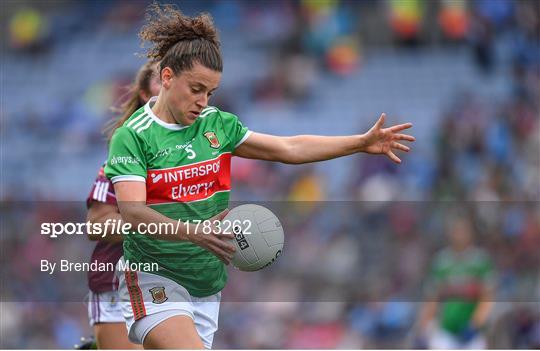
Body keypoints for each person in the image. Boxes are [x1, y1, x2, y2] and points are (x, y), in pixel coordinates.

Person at [104, 3, 415, 349]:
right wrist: (195, 234)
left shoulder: (217, 125)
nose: (203, 101)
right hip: (154, 278)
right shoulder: (133, 135)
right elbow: (132, 212)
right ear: (166, 78)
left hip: (206, 286)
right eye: (196, 89)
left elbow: (289, 148)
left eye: (210, 92)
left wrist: (358, 143)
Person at [86, 61, 160, 349]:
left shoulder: (201, 152)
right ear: (144, 94)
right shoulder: (125, 153)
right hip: (118, 279)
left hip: (178, 280)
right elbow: (97, 224)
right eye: (162, 81)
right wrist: (168, 225)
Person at [415, 217, 495, 349]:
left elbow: (487, 297)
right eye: (456, 231)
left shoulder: (480, 262)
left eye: (463, 231)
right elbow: (432, 299)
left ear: (470, 234)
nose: (459, 235)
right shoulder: (441, 262)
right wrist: (423, 328)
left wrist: (475, 324)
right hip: (446, 331)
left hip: (471, 334)